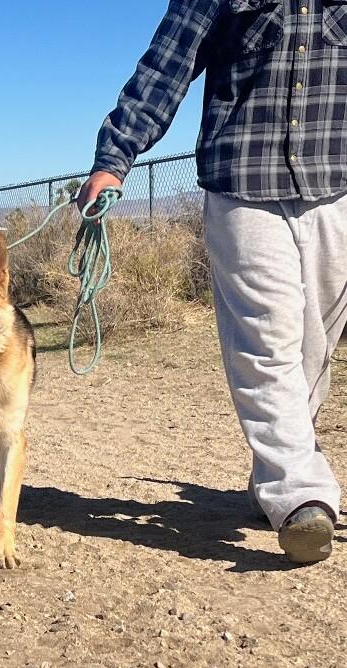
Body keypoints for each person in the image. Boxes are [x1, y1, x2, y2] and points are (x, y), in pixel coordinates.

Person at [77, 0, 347, 564]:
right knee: (265, 342)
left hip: (336, 186)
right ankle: (300, 495)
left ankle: (276, 471)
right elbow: (165, 66)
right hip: (242, 183)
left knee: (312, 348)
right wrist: (114, 156)